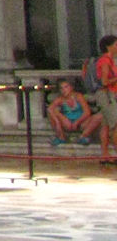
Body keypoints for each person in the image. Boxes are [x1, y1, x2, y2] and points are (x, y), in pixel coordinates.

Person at [45, 78, 101, 146]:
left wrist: (77, 122)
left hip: (81, 122)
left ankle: (83, 136)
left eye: (66, 87)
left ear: (71, 87)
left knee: (99, 116)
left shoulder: (78, 96)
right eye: (61, 88)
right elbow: (50, 109)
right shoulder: (60, 99)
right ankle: (61, 137)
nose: (64, 90)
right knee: (54, 112)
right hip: (67, 123)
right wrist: (57, 122)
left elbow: (87, 112)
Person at [94, 33, 117, 165]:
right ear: (109, 47)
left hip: (107, 95)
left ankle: (105, 155)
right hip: (106, 95)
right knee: (115, 125)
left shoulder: (108, 60)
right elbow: (104, 81)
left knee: (106, 125)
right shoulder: (105, 61)